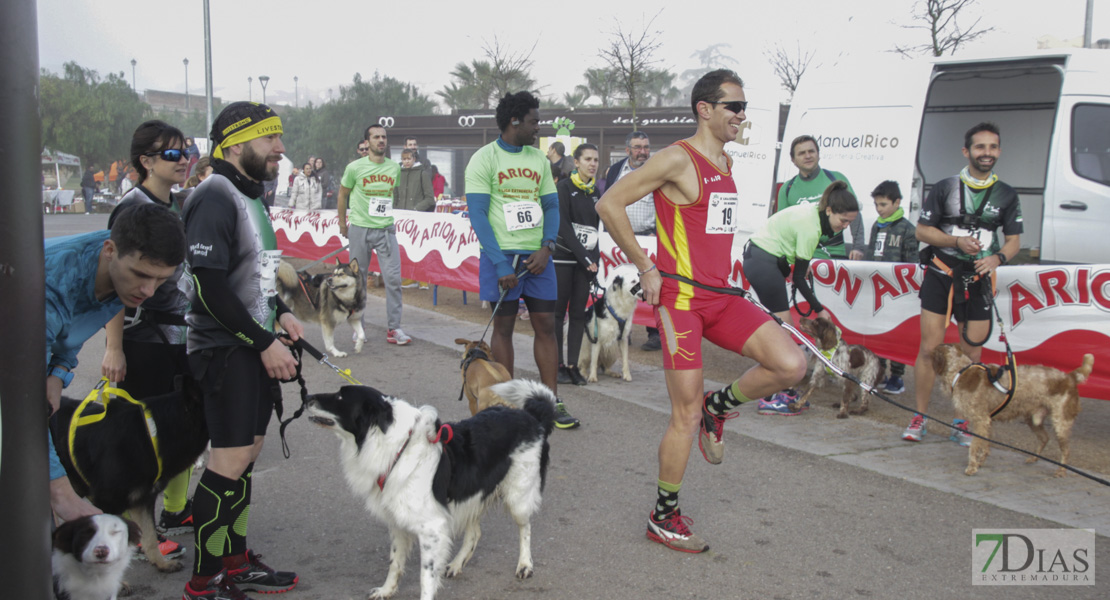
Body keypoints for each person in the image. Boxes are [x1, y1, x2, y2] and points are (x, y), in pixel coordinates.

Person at [596, 69, 807, 553]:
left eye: (744, 107)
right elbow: (610, 204)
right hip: (682, 304)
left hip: (723, 297)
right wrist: (646, 265)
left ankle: (722, 406)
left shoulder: (727, 162)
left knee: (790, 364)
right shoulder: (675, 158)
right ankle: (663, 516)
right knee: (683, 415)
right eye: (734, 106)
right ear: (704, 109)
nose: (741, 115)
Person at [180, 101, 303, 598]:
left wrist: (282, 313)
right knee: (228, 461)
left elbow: (257, 277)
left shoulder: (251, 195)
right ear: (234, 146)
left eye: (278, 138)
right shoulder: (213, 194)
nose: (279, 148)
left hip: (253, 345)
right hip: (224, 349)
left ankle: (234, 561)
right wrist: (263, 340)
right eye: (268, 139)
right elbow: (208, 287)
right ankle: (204, 579)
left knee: (247, 456)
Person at [45, 203, 185, 524]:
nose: (149, 291)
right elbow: (19, 406)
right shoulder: (50, 285)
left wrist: (59, 371)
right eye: (142, 275)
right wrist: (62, 495)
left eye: (161, 280)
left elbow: (77, 323)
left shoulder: (118, 274)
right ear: (109, 250)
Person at [98, 121, 194, 551]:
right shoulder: (131, 208)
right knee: (140, 439)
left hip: (179, 337)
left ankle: (175, 511)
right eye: (172, 154)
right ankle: (131, 532)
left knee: (182, 426)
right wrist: (114, 347)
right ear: (146, 162)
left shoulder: (178, 203)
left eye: (185, 151)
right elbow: (113, 284)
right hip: (143, 340)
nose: (184, 160)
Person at [465, 90, 580, 429]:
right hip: (501, 258)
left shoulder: (537, 159)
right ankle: (507, 402)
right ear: (515, 121)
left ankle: (549, 401)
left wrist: (547, 247)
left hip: (538, 259)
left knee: (547, 326)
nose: (538, 128)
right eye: (534, 122)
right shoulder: (484, 159)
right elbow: (479, 214)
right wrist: (500, 263)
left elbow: (551, 206)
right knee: (504, 328)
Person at [903, 122, 1021, 444]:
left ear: (998, 151)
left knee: (972, 352)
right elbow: (922, 231)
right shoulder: (944, 188)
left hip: (978, 279)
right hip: (941, 273)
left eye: (993, 147)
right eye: (980, 147)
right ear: (966, 151)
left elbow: (1013, 241)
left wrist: (997, 259)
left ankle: (963, 421)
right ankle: (920, 417)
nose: (987, 153)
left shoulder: (1007, 194)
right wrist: (955, 243)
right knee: (930, 348)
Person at [743, 180, 860, 415]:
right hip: (763, 261)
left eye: (850, 222)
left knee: (781, 329)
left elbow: (793, 266)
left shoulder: (814, 214)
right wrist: (819, 309)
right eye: (843, 220)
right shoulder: (812, 227)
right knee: (783, 333)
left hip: (762, 258)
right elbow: (798, 278)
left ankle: (783, 388)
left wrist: (796, 265)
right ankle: (769, 394)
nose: (845, 226)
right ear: (829, 211)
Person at [337, 123, 413, 345]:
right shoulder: (355, 168)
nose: (381, 140)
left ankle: (394, 328)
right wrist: (342, 223)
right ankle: (358, 325)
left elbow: (391, 195)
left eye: (384, 137)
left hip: (385, 230)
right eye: (376, 137)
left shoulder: (394, 168)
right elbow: (342, 195)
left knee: (393, 279)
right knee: (357, 280)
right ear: (367, 142)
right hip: (360, 228)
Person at [603, 131, 662, 351]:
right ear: (627, 150)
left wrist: (657, 232)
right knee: (620, 284)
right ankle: (622, 329)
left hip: (649, 238)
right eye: (637, 147)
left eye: (646, 147)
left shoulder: (657, 169)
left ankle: (654, 333)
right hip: (619, 238)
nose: (643, 152)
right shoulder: (616, 171)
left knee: (650, 286)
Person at [553, 143, 601, 387]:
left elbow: (595, 230)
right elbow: (563, 227)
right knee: (558, 314)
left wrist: (596, 260)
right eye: (588, 159)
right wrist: (584, 257)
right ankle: (557, 365)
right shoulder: (564, 187)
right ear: (577, 161)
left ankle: (573, 366)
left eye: (596, 160)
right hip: (563, 259)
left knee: (579, 314)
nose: (593, 164)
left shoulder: (596, 192)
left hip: (585, 263)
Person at [864, 180, 918, 394]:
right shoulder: (877, 226)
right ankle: (878, 372)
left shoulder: (908, 229)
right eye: (877, 205)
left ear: (897, 202)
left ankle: (897, 377)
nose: (879, 209)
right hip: (877, 290)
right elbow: (870, 255)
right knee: (877, 333)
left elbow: (912, 264)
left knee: (896, 335)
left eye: (884, 204)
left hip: (897, 292)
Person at [777, 135, 865, 260]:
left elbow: (854, 216)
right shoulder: (787, 189)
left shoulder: (836, 179)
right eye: (802, 153)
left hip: (834, 254)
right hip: (801, 257)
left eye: (811, 151)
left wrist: (858, 247)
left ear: (818, 154)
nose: (808, 156)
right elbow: (782, 229)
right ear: (793, 159)